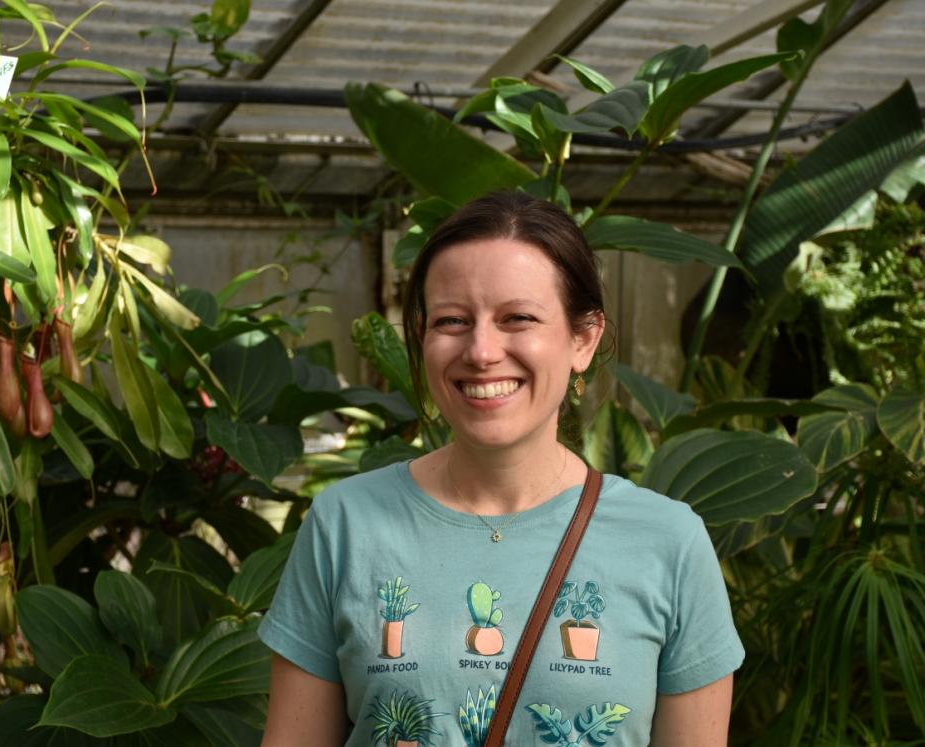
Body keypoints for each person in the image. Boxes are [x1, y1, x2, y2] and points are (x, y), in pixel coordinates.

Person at [259, 191, 744, 746]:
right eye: (452, 320)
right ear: (422, 337)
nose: (482, 350)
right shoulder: (343, 525)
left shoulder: (668, 541)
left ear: (583, 339)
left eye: (518, 318)